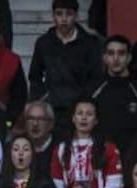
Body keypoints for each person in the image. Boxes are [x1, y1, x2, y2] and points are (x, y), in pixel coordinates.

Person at [27, 0, 102, 130]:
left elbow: (96, 78)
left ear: (76, 16)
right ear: (53, 16)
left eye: (69, 14)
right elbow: (34, 76)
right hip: (51, 109)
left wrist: (84, 102)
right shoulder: (44, 43)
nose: (64, 19)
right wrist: (43, 99)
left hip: (79, 111)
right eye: (59, 14)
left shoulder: (90, 44)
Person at [49, 97, 123, 188]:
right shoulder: (60, 149)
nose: (84, 118)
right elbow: (56, 184)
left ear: (96, 120)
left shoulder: (109, 148)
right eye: (80, 113)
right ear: (73, 118)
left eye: (89, 114)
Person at [88, 35, 137, 153]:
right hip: (100, 156)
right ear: (105, 58)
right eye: (111, 53)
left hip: (135, 157)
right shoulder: (92, 89)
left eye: (121, 53)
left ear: (129, 58)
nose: (116, 58)